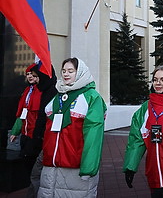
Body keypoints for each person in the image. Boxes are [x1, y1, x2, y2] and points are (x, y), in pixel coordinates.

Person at [38, 57, 107, 197]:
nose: (66, 74)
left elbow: (94, 134)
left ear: (80, 72)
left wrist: (88, 167)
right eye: (63, 71)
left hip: (76, 168)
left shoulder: (91, 97)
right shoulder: (57, 96)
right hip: (50, 166)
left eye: (71, 71)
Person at [124, 65, 163, 198]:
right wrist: (130, 166)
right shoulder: (145, 108)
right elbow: (136, 139)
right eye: (155, 79)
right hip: (155, 175)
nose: (158, 83)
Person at [26, 64, 58, 198]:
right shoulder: (45, 91)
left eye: (37, 76)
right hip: (42, 139)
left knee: (38, 175)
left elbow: (44, 119)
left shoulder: (52, 93)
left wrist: (38, 139)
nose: (35, 79)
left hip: (47, 142)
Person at [9, 64, 42, 173]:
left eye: (32, 74)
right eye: (27, 74)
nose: (30, 76)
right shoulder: (27, 90)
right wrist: (15, 131)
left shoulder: (42, 91)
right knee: (26, 163)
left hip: (35, 135)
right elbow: (21, 113)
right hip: (25, 134)